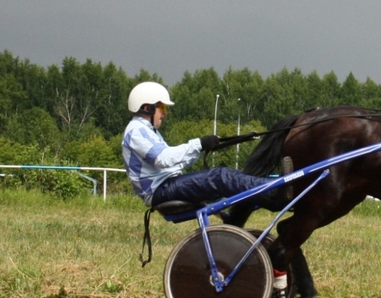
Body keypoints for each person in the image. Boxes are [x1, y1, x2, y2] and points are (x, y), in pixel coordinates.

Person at [121, 81, 290, 211]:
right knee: (219, 177)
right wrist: (199, 143)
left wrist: (203, 148)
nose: (165, 112)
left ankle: (271, 190)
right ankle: (273, 191)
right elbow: (163, 159)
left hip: (166, 186)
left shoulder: (147, 131)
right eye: (162, 107)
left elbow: (176, 163)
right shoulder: (136, 131)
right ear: (146, 107)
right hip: (160, 191)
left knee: (223, 177)